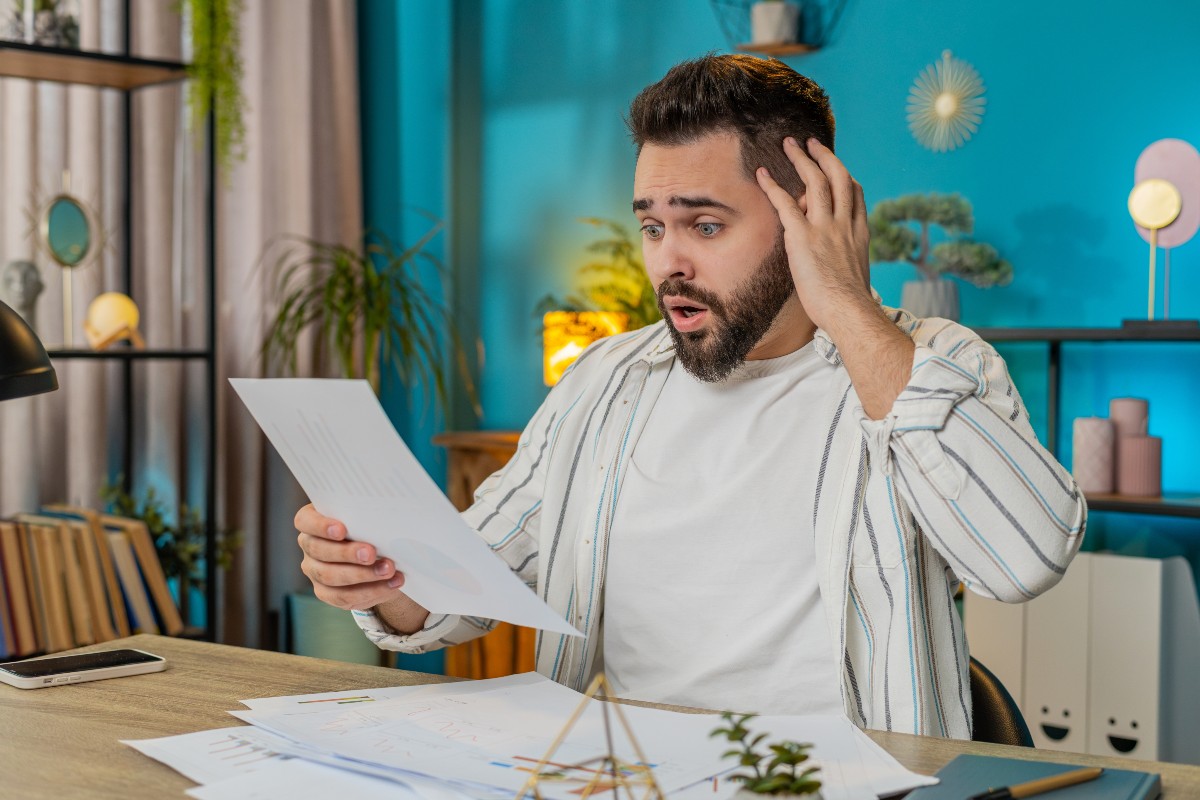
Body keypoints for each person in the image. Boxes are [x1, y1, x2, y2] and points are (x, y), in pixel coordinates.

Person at [294, 55, 1086, 738]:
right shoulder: (604, 381)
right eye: (651, 227)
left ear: (807, 214)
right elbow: (466, 583)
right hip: (613, 775)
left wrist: (847, 306)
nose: (669, 262)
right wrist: (381, 581)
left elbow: (1024, 560)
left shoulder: (933, 366)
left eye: (704, 227)